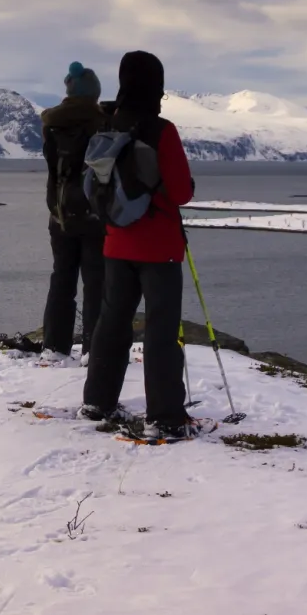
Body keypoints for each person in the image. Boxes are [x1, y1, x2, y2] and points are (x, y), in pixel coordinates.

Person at [80, 50, 200, 439]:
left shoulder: (108, 124)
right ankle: (165, 416)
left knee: (111, 324)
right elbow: (181, 192)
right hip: (159, 248)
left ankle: (97, 401)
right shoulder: (162, 130)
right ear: (157, 86)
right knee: (161, 331)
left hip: (116, 242)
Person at [39, 62, 109, 360]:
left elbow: (52, 166)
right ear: (94, 93)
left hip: (60, 212)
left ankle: (54, 346)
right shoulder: (102, 122)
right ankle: (95, 348)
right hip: (94, 215)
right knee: (96, 283)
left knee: (62, 279)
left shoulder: (52, 123)